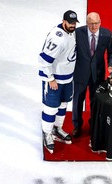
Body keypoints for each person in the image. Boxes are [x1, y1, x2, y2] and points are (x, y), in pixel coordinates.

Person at [39, 10, 79, 154]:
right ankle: (47, 133)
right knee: (50, 108)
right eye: (70, 23)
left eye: (74, 23)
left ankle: (57, 128)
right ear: (64, 21)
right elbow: (43, 60)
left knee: (63, 105)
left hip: (68, 78)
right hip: (54, 80)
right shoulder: (57, 38)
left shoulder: (71, 32)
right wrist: (51, 79)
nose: (73, 25)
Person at [72, 12, 112, 138]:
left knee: (95, 100)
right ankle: (77, 126)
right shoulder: (78, 33)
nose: (94, 26)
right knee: (77, 101)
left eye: (96, 23)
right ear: (86, 23)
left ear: (100, 22)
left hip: (98, 74)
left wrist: (111, 65)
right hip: (80, 73)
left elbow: (111, 53)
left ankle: (94, 124)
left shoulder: (107, 34)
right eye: (91, 23)